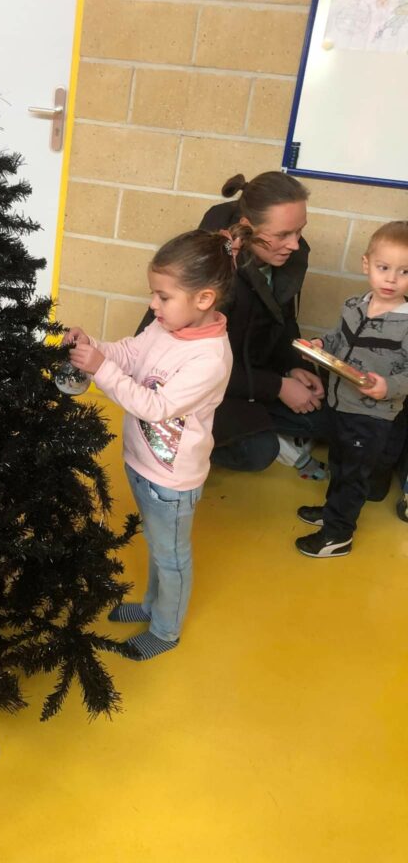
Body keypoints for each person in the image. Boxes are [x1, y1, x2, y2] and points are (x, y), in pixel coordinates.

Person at [64, 230, 233, 660]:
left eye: (163, 296)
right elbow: (130, 353)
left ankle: (165, 629)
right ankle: (152, 605)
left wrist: (100, 369)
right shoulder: (166, 326)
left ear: (204, 298)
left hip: (172, 482)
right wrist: (93, 348)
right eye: (153, 294)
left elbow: (154, 407)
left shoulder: (209, 358)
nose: (153, 305)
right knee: (159, 549)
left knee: (171, 556)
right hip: (142, 464)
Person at [136, 171, 327, 476]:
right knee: (259, 452)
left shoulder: (285, 258)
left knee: (327, 412)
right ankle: (186, 444)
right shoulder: (208, 273)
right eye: (282, 235)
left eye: (299, 231)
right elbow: (192, 366)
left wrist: (294, 366)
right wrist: (277, 386)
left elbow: (285, 320)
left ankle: (259, 420)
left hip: (246, 377)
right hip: (197, 389)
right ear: (247, 227)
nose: (294, 244)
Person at [295, 221, 408, 558]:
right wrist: (319, 345)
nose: (391, 279)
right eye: (384, 268)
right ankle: (333, 513)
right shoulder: (354, 305)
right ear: (366, 264)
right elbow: (337, 339)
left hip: (372, 417)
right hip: (339, 403)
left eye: (404, 272)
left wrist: (390, 386)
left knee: (353, 475)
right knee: (339, 463)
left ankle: (338, 535)